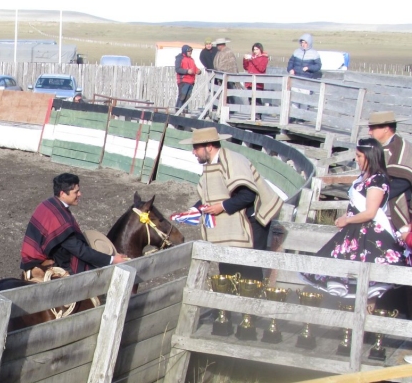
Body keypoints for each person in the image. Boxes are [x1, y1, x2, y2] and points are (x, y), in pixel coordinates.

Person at [301, 138, 409, 306]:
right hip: (354, 232)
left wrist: (347, 219)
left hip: (369, 234)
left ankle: (366, 325)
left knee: (368, 285)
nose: (356, 159)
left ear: (369, 156)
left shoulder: (378, 179)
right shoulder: (364, 177)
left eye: (359, 156)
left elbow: (370, 212)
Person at [175, 127, 283, 280]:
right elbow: (211, 197)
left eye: (196, 148)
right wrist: (194, 210)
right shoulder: (214, 163)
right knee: (227, 265)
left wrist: (221, 207)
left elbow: (248, 195)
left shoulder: (233, 161)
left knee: (248, 268)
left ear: (209, 146)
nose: (193, 152)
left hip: (252, 222)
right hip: (235, 224)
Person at [21, 173, 128, 277]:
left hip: (38, 253)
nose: (79, 194)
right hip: (40, 260)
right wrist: (112, 260)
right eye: (76, 192)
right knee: (94, 276)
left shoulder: (49, 203)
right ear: (63, 193)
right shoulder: (58, 219)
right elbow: (79, 250)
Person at [365, 111, 412, 231]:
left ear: (386, 129)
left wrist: (375, 196)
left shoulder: (403, 148)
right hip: (376, 202)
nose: (369, 132)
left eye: (372, 128)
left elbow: (403, 180)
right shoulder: (377, 147)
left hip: (394, 204)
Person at [243, 43, 269, 119]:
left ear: (260, 49)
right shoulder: (252, 57)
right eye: (254, 49)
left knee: (257, 99)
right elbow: (246, 67)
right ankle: (252, 115)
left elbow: (261, 68)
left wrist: (253, 59)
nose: (255, 51)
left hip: (258, 82)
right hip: (250, 82)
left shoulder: (264, 58)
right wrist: (245, 60)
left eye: (257, 49)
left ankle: (258, 115)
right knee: (251, 99)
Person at [175, 45, 201, 111]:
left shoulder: (191, 59)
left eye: (191, 51)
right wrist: (187, 71)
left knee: (187, 98)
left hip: (191, 82)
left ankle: (184, 111)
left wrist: (198, 71)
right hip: (183, 81)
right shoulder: (180, 58)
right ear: (185, 51)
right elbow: (177, 69)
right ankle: (178, 111)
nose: (190, 52)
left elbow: (194, 68)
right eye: (188, 51)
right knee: (182, 97)